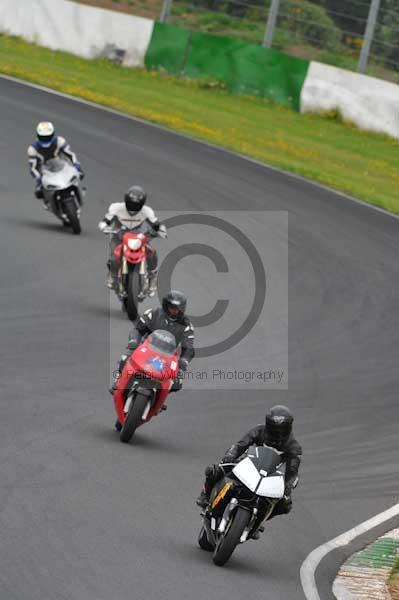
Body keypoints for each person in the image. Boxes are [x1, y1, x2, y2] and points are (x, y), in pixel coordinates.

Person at [196, 405, 302, 537]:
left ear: (288, 429)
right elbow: (241, 444)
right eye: (273, 430)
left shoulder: (293, 447)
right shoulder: (259, 431)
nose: (276, 434)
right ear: (267, 425)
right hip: (248, 465)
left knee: (285, 504)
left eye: (280, 431)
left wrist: (287, 487)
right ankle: (205, 495)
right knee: (215, 470)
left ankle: (259, 522)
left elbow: (293, 471)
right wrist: (230, 456)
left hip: (270, 477)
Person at [112, 290, 195, 430]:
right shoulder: (153, 313)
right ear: (165, 305)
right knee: (125, 358)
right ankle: (119, 380)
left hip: (168, 357)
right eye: (172, 307)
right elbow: (138, 330)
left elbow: (189, 348)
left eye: (177, 308)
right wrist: (133, 342)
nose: (174, 311)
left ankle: (159, 402)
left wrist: (183, 362)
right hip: (146, 349)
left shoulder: (186, 325)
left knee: (177, 382)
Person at [98, 185, 166, 294]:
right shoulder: (116, 208)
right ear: (126, 200)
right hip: (118, 236)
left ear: (142, 203)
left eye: (136, 205)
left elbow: (156, 224)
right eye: (131, 203)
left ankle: (152, 275)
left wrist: (161, 230)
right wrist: (104, 226)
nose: (133, 207)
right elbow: (106, 220)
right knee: (115, 257)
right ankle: (113, 276)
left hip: (138, 238)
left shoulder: (147, 211)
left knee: (152, 252)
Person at [28, 122, 83, 208]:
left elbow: (70, 154)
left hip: (61, 164)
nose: (45, 139)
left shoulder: (60, 141)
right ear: (38, 136)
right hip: (45, 170)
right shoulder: (32, 149)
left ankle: (76, 190)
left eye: (47, 137)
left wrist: (76, 164)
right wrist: (38, 178)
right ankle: (47, 201)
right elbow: (33, 168)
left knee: (79, 173)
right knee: (38, 192)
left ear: (52, 134)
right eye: (43, 137)